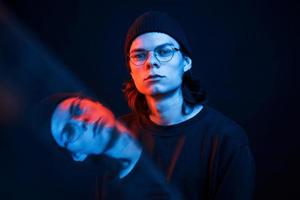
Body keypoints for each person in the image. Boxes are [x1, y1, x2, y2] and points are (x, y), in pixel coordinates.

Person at [43, 11, 256, 200]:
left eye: (164, 52)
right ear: (130, 70)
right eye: (139, 55)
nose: (150, 62)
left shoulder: (226, 139)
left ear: (186, 62)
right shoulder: (114, 137)